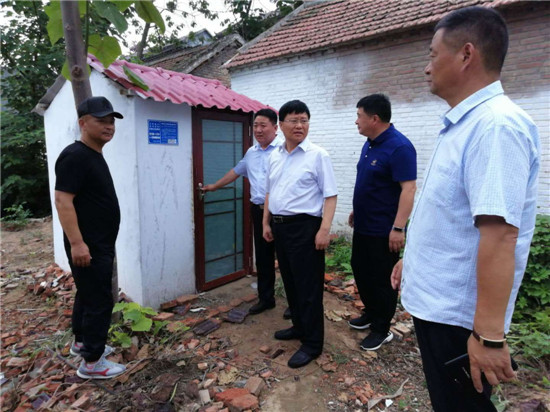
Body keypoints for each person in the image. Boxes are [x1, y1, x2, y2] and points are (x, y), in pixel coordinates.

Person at [390, 7, 540, 411]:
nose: (427, 68)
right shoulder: (465, 124)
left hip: (459, 320)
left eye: (432, 54)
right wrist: (413, 258)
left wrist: (488, 337)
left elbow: (500, 234)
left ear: (466, 54)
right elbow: (450, 216)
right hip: (442, 307)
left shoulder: (495, 126)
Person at [55, 96, 126, 379]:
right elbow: (62, 201)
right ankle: (93, 363)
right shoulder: (75, 155)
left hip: (96, 242)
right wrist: (77, 243)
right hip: (89, 244)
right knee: (99, 300)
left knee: (87, 293)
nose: (109, 126)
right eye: (101, 121)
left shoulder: (92, 154)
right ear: (83, 123)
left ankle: (82, 342)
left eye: (111, 121)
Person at [263, 100, 338, 368]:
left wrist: (324, 230)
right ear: (281, 125)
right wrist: (266, 223)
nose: (299, 125)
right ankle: (298, 326)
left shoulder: (318, 155)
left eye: (304, 120)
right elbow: (270, 192)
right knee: (291, 282)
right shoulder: (275, 155)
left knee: (309, 287)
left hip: (306, 228)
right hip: (280, 227)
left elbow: (330, 195)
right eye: (294, 120)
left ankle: (313, 343)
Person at [202, 109, 291, 318]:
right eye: (256, 125)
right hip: (258, 211)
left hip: (281, 212)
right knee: (263, 257)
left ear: (275, 128)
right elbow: (236, 171)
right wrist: (214, 186)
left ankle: (294, 304)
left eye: (263, 125)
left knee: (287, 258)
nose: (258, 130)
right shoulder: (251, 152)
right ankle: (266, 299)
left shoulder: (285, 150)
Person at [348, 94, 416, 351]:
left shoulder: (400, 147)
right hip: (364, 225)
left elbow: (409, 189)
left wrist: (398, 228)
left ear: (374, 118)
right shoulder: (370, 144)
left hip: (384, 230)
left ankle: (381, 328)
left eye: (359, 116)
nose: (356, 121)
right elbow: (370, 183)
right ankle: (371, 313)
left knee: (382, 279)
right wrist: (356, 210)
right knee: (361, 269)